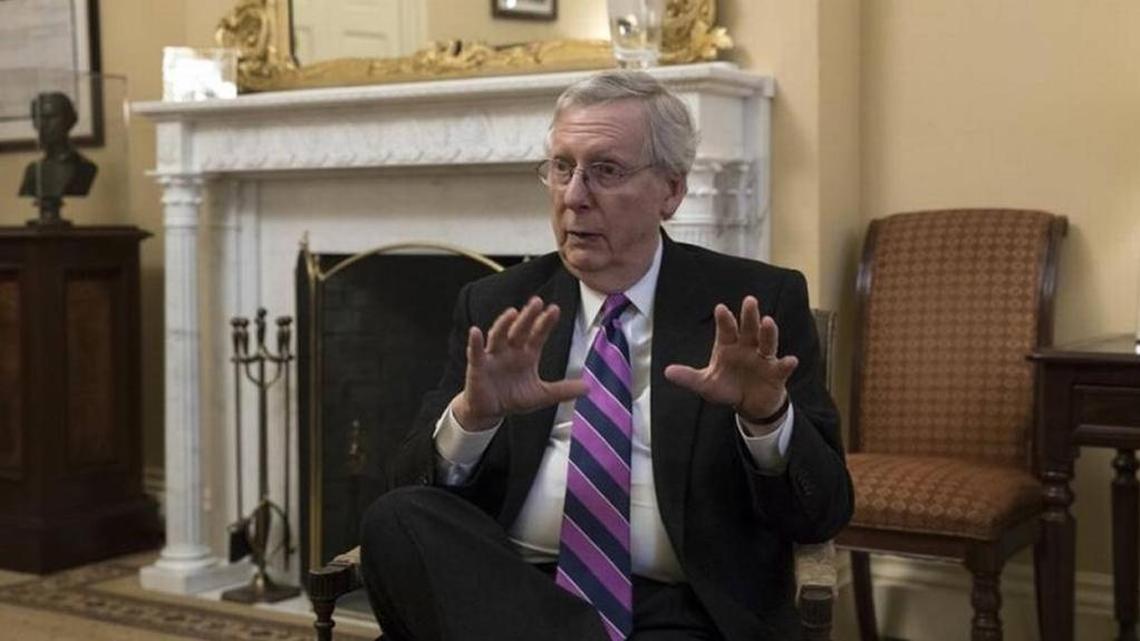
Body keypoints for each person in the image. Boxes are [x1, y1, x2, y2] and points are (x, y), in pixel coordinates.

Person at [360, 70, 852, 641]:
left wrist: (766, 419)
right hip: (514, 594)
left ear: (671, 191)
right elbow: (411, 485)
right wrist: (474, 418)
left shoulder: (753, 307)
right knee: (395, 518)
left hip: (684, 608)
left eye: (606, 170)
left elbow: (824, 512)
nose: (573, 195)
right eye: (562, 167)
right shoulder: (499, 304)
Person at [18, 92, 98, 224]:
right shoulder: (32, 170)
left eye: (50, 117)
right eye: (38, 118)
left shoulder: (84, 168)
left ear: (69, 121)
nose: (43, 125)